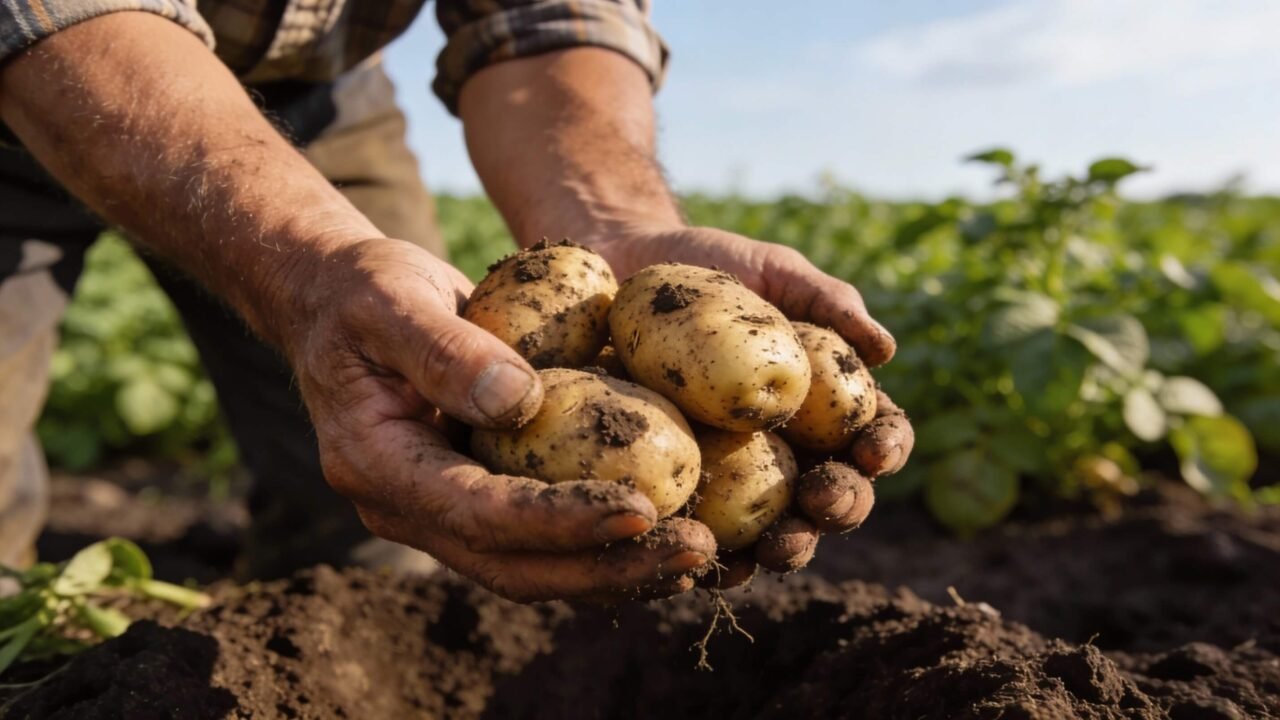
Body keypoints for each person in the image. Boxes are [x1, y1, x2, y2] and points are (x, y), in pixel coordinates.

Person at [0, 1, 913, 602]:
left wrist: (615, 225)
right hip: (40, 53)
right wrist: (312, 263)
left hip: (320, 94)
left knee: (396, 461)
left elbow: (549, 21)